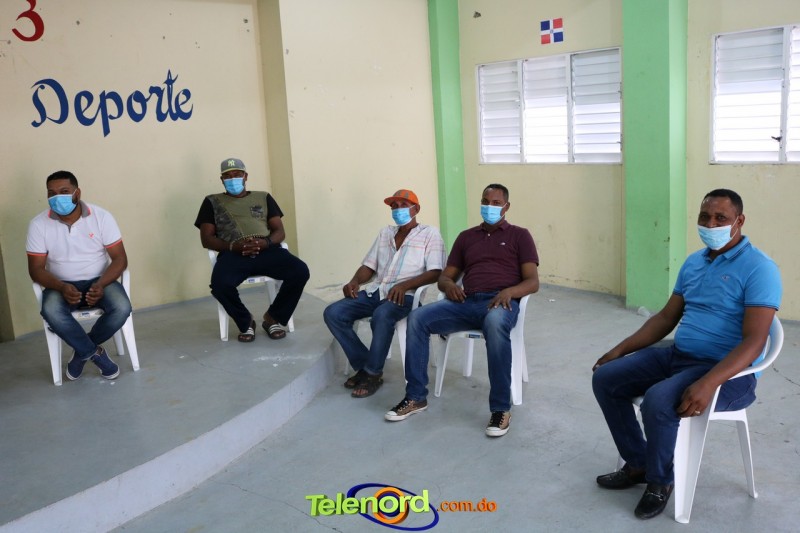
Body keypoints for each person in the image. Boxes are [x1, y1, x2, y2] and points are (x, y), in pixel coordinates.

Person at [591, 189, 781, 520]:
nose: (711, 224)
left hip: (728, 373)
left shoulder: (759, 268)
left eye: (720, 218)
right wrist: (619, 350)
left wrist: (709, 383)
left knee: (658, 401)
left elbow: (754, 341)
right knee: (607, 378)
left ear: (739, 221)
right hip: (679, 357)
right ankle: (638, 463)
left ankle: (660, 482)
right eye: (704, 217)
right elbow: (666, 317)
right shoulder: (694, 262)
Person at [385, 183, 539, 437]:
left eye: (496, 203)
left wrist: (509, 292)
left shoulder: (520, 236)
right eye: (485, 202)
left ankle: (501, 409)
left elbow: (532, 281)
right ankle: (415, 397)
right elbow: (445, 276)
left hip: (499, 302)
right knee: (418, 318)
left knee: (494, 323)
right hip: (465, 302)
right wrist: (449, 286)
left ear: (506, 207)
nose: (489, 207)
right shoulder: (467, 237)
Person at [323, 189, 446, 398]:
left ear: (416, 209)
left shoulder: (430, 233)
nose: (398, 209)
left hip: (406, 296)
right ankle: (365, 365)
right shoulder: (385, 233)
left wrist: (405, 286)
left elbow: (436, 271)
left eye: (404, 205)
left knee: (382, 315)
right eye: (394, 206)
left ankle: (372, 374)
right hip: (377, 292)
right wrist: (354, 281)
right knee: (333, 313)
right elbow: (369, 266)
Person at [26, 170, 132, 380]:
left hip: (100, 281)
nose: (57, 197)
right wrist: (61, 286)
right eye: (51, 193)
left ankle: (81, 351)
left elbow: (120, 259)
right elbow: (35, 269)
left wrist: (101, 284)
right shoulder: (38, 224)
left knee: (122, 307)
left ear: (77, 193)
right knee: (51, 311)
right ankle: (94, 353)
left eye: (64, 191)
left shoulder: (101, 217)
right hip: (60, 284)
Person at [195, 158, 309, 341]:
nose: (233, 179)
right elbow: (206, 239)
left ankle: (273, 318)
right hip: (233, 253)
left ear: (246, 176)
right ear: (222, 180)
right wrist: (234, 246)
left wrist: (266, 243)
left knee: (300, 271)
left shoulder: (263, 197)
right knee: (220, 285)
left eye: (237, 174)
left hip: (267, 250)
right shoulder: (212, 201)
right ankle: (246, 321)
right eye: (228, 176)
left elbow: (280, 231)